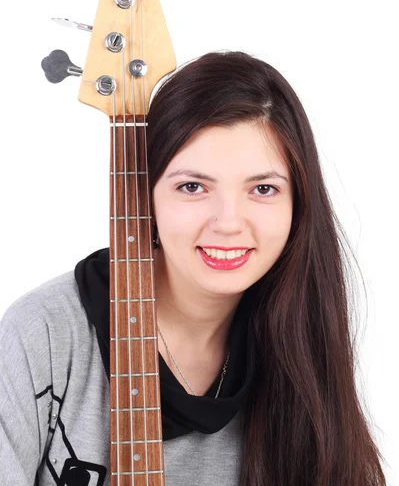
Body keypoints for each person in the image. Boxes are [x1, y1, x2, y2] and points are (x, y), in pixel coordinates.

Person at [0, 50, 386, 485]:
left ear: (298, 204)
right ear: (144, 195)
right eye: (192, 186)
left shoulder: (300, 340)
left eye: (262, 188)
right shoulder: (43, 337)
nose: (227, 222)